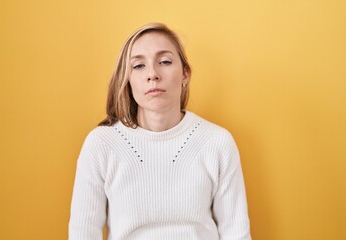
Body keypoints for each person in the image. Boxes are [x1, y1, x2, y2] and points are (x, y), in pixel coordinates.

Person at [69, 22, 251, 240]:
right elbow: (83, 233)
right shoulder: (101, 143)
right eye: (138, 66)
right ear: (127, 79)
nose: (152, 74)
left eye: (164, 61)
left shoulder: (217, 142)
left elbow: (236, 232)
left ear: (185, 74)